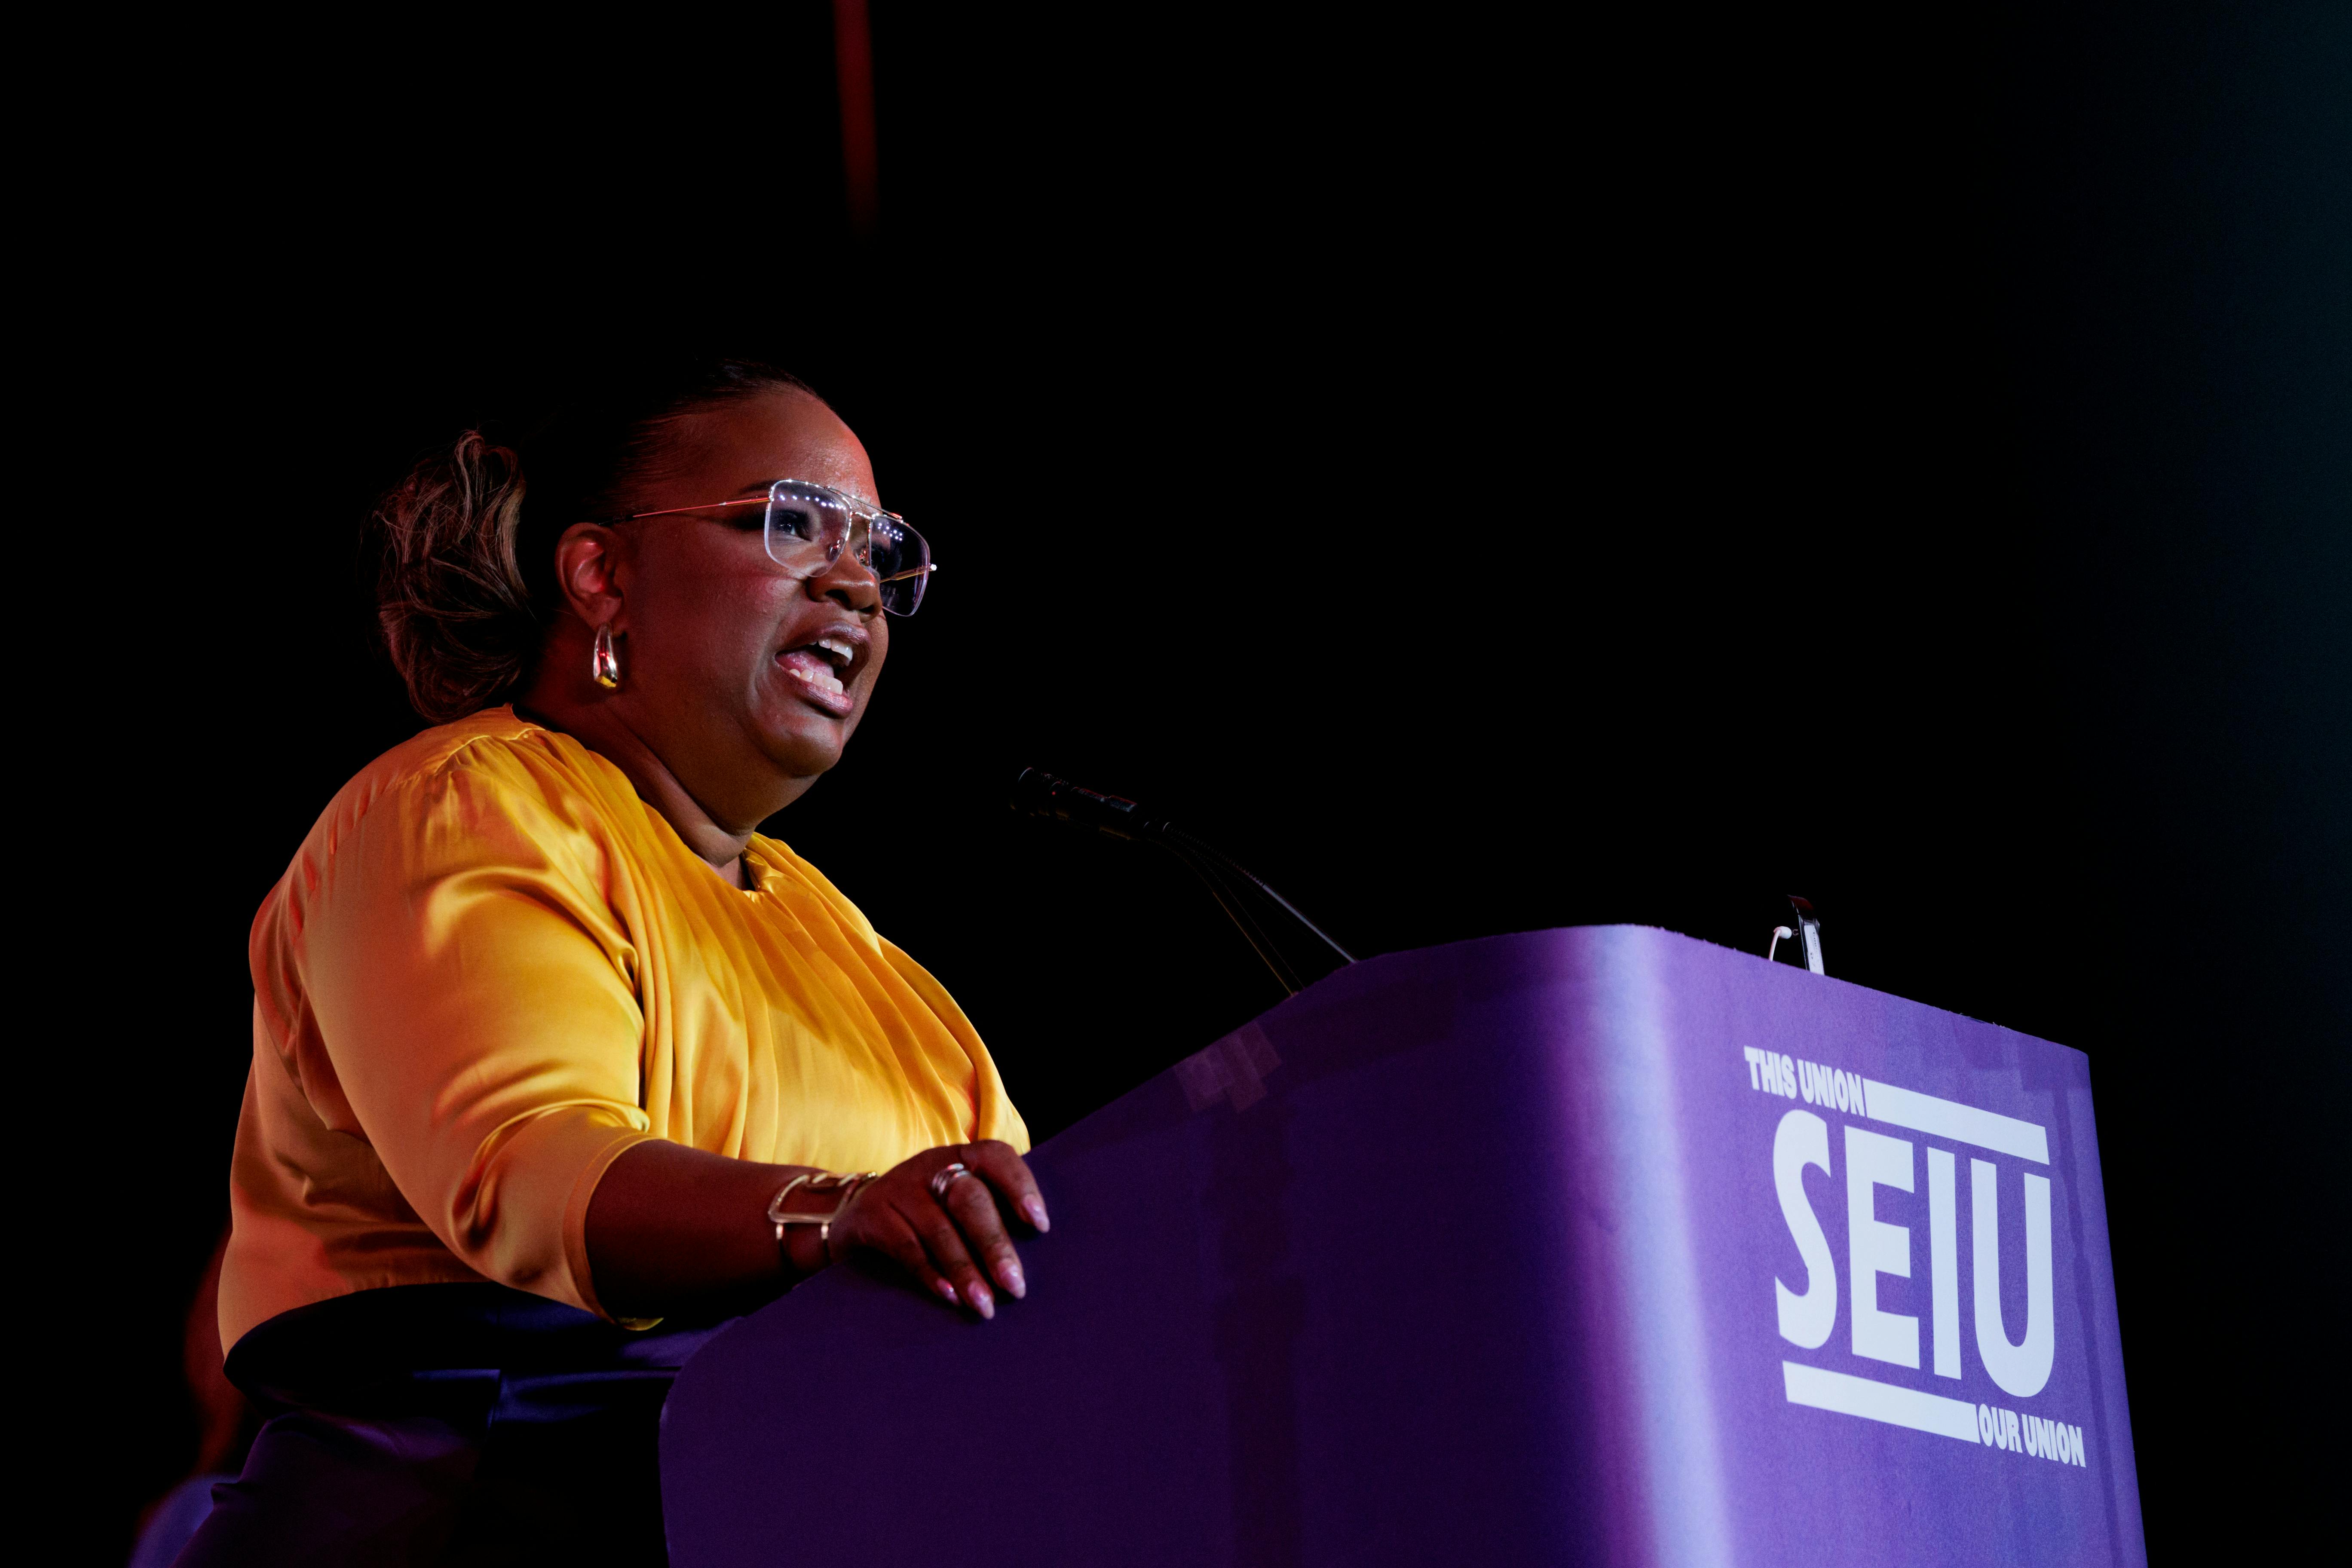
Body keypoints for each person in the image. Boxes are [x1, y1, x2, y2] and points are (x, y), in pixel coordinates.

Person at [180, 360, 1043, 1567]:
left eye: (879, 551)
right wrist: (835, 1213)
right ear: (603, 575)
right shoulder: (464, 806)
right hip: (468, 1516)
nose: (856, 582)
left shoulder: (849, 943)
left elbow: (1029, 1236)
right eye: (796, 522)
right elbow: (530, 1169)